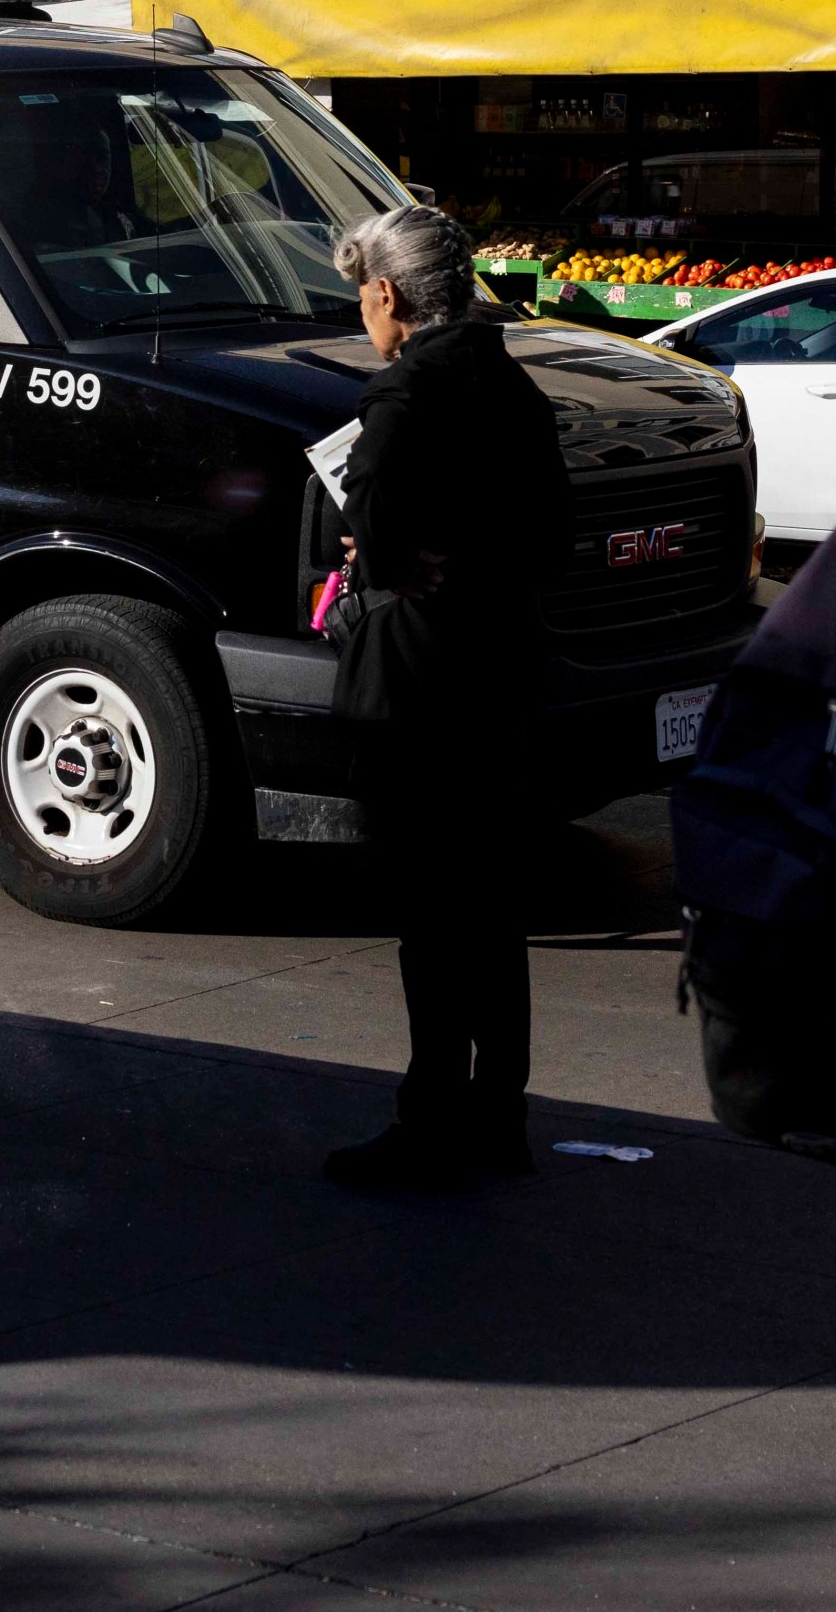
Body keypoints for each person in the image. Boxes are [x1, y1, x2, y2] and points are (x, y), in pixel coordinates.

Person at [318, 200, 571, 1193]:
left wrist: (380, 557)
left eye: (362, 300)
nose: (363, 319)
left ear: (387, 294)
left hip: (418, 683)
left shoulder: (405, 392)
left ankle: (429, 1118)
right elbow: (555, 530)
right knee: (493, 909)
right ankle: (498, 1117)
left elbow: (370, 511)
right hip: (501, 671)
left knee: (431, 915)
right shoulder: (511, 383)